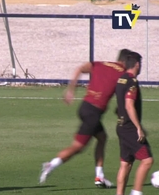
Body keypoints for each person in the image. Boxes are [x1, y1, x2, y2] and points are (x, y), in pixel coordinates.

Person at [39, 49, 131, 187]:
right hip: (93, 113)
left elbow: (80, 68)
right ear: (126, 62)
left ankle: (99, 176)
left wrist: (71, 90)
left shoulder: (101, 64)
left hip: (85, 107)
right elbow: (121, 97)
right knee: (78, 147)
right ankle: (51, 164)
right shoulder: (123, 74)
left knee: (102, 137)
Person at [113, 52, 153, 195]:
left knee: (126, 163)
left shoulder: (121, 79)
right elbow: (129, 105)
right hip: (130, 128)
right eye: (140, 63)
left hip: (121, 126)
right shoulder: (132, 82)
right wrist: (138, 127)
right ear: (136, 64)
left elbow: (120, 105)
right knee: (147, 160)